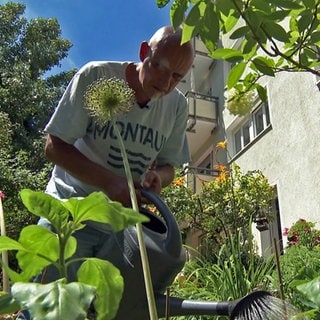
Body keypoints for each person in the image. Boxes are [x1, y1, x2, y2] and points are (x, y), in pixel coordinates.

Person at [39, 25, 194, 280]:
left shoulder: (177, 106)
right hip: (71, 214)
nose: (166, 84)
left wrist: (159, 179)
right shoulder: (96, 76)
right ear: (144, 51)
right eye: (160, 67)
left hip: (122, 231)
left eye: (177, 76)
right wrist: (110, 182)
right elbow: (54, 147)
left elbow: (168, 167)